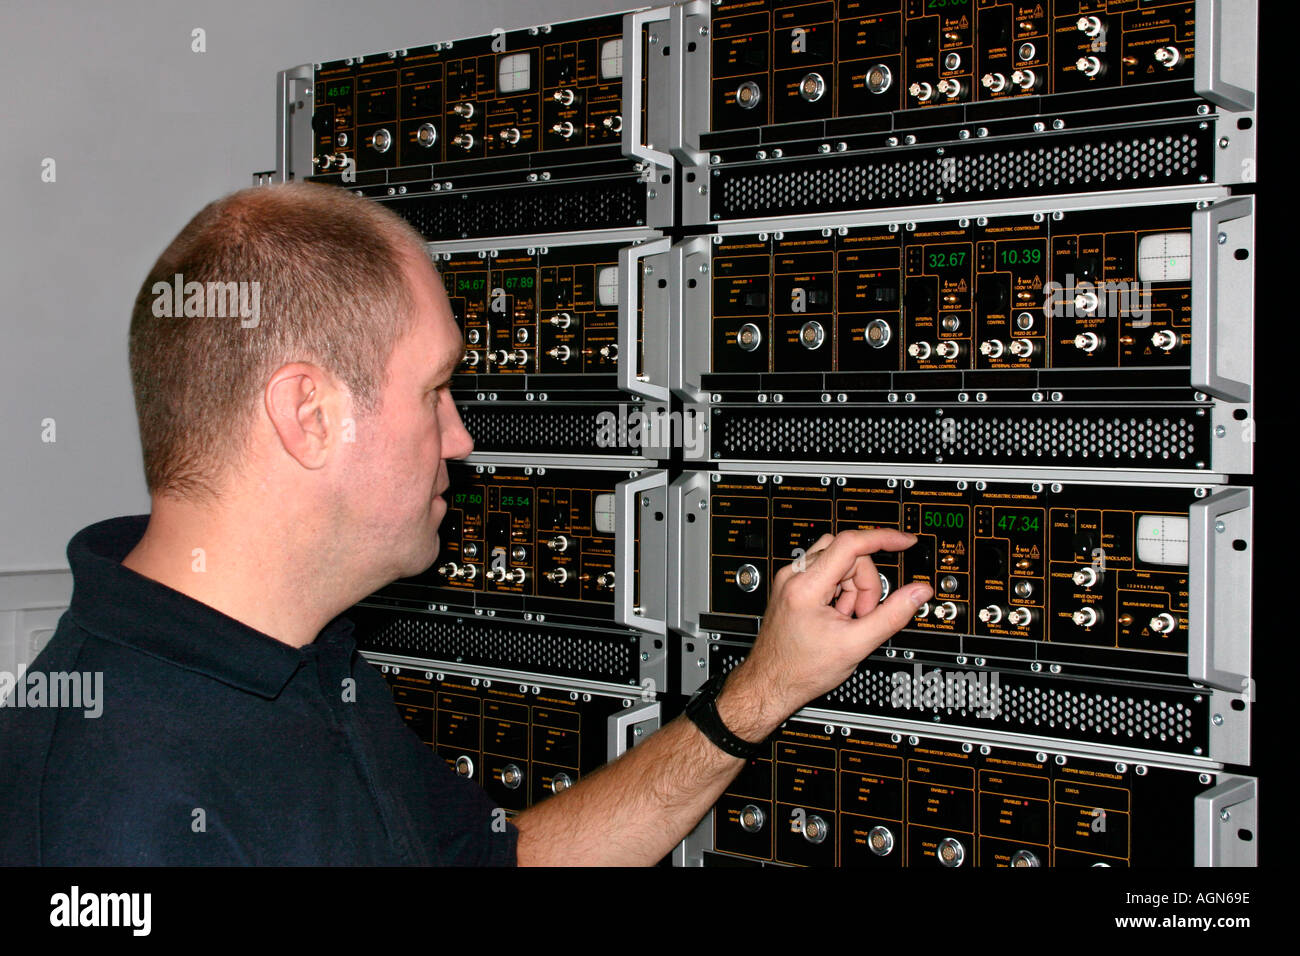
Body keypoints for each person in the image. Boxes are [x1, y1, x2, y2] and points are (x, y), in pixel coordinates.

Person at [0, 182, 932, 865]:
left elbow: (505, 862)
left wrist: (764, 688)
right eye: (436, 389)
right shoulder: (109, 804)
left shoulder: (299, 659)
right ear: (309, 415)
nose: (461, 439)